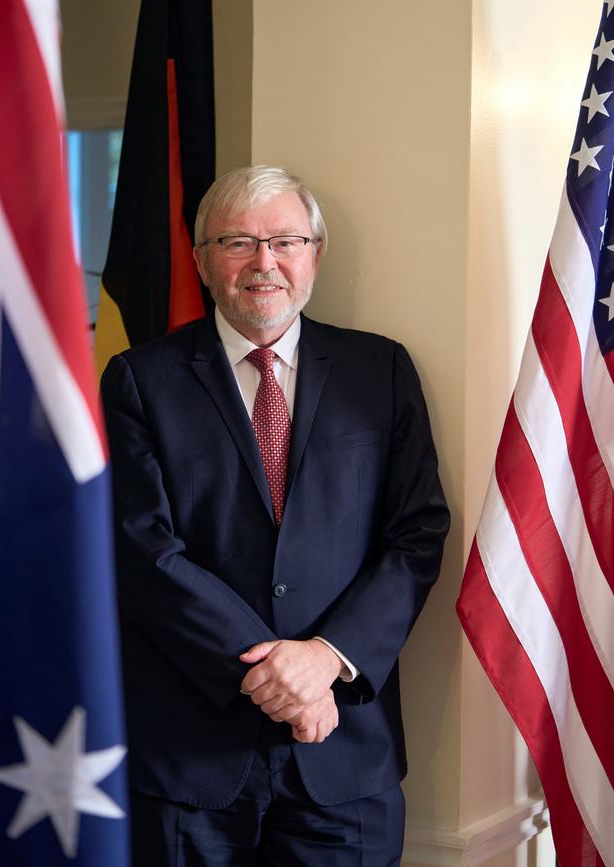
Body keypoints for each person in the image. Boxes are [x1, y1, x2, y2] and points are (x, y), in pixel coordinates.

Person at [101, 165, 450, 866]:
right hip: (188, 760)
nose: (264, 262)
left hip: (344, 753)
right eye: (237, 242)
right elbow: (142, 550)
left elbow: (416, 534)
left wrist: (325, 659)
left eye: (285, 240)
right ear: (202, 260)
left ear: (315, 254)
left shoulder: (379, 370)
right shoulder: (140, 379)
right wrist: (278, 680)